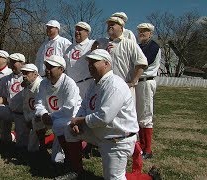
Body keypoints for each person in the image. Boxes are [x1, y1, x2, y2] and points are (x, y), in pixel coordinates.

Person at [62, 49, 139, 180]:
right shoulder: (94, 83)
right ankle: (77, 171)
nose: (90, 65)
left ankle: (148, 177)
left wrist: (80, 120)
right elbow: (84, 105)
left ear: (107, 64)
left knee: (114, 178)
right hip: (99, 133)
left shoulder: (115, 85)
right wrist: (76, 123)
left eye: (94, 62)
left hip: (117, 139)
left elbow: (104, 117)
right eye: (89, 62)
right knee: (69, 130)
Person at [35, 55, 81, 172]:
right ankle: (42, 147)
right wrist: (43, 114)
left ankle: (74, 152)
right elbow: (39, 103)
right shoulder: (43, 83)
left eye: (51, 67)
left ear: (61, 69)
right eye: (46, 67)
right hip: (51, 116)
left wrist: (51, 116)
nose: (47, 70)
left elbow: (69, 109)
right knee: (36, 119)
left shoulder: (69, 83)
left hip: (68, 118)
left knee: (56, 160)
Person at [0, 53, 28, 151]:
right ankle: (0, 137)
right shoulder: (7, 78)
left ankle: (19, 134)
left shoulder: (28, 76)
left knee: (21, 147)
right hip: (10, 110)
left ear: (22, 63)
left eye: (15, 62)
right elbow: (5, 97)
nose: (12, 64)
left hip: (23, 114)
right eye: (11, 61)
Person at [97, 16, 147, 96]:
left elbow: (141, 63)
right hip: (105, 88)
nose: (110, 26)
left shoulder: (129, 43)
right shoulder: (102, 43)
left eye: (113, 24)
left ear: (121, 28)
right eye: (108, 25)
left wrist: (132, 82)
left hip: (124, 88)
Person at [136, 23, 161, 159]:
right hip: (139, 82)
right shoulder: (140, 46)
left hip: (146, 81)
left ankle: (148, 150)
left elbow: (143, 61)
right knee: (139, 115)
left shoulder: (153, 46)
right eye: (140, 31)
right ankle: (142, 144)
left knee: (146, 115)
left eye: (145, 31)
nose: (142, 33)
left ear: (150, 33)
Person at [64, 21, 95, 98]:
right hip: (72, 86)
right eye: (76, 30)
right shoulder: (69, 48)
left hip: (87, 84)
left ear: (87, 33)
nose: (77, 32)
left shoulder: (92, 44)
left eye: (80, 30)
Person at [20, 63, 43, 152]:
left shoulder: (40, 86)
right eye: (23, 73)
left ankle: (44, 145)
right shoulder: (27, 85)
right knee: (22, 144)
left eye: (27, 73)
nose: (24, 76)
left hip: (42, 115)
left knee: (31, 150)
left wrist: (30, 119)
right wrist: (27, 118)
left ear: (35, 74)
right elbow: (25, 105)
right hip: (30, 116)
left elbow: (41, 106)